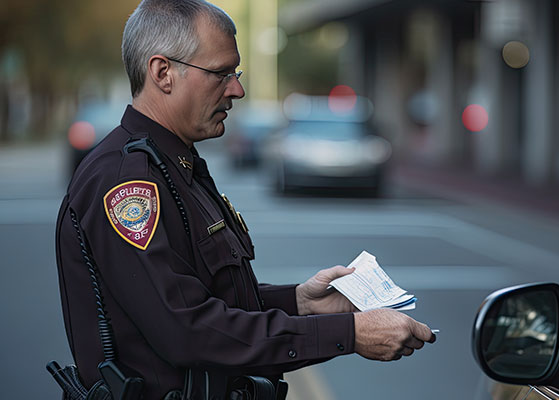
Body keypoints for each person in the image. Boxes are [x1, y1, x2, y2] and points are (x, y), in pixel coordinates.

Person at [54, 0, 435, 398]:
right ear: (163, 73)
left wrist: (299, 302)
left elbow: (202, 297)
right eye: (220, 73)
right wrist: (349, 334)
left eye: (234, 73)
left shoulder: (172, 164)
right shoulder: (128, 182)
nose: (237, 89)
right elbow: (188, 330)